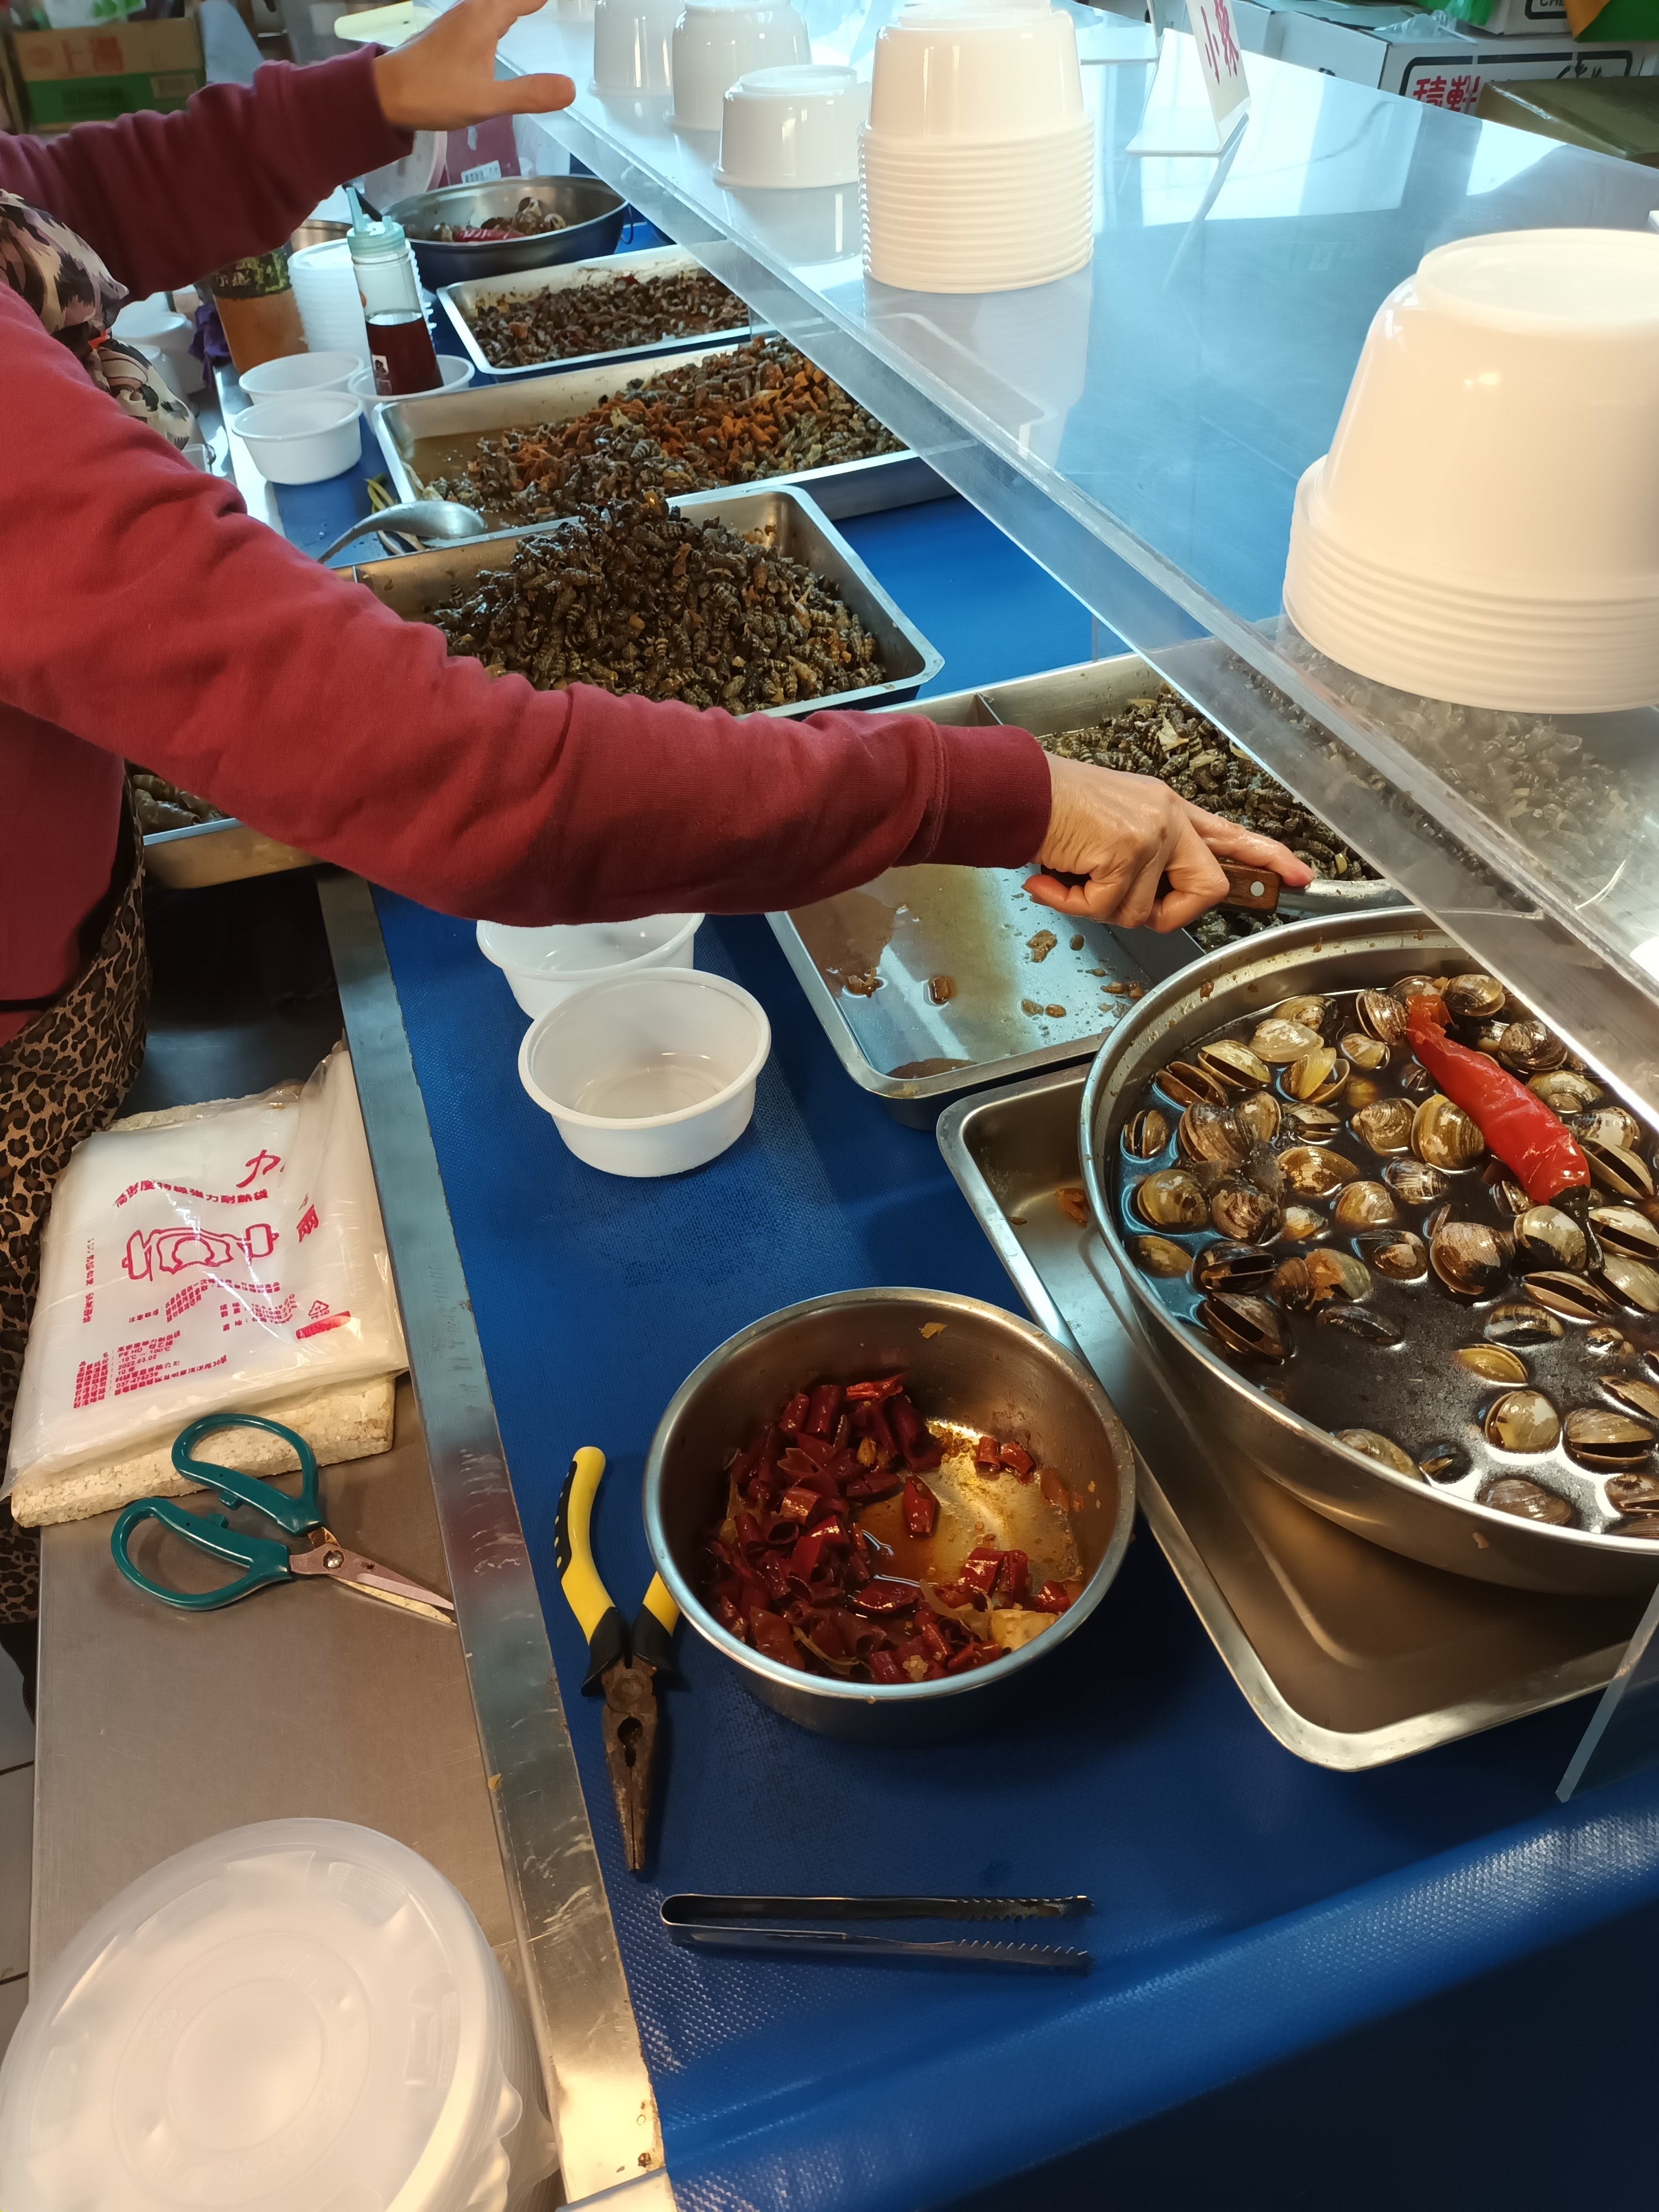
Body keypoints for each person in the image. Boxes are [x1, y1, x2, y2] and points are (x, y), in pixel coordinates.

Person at [0, 0, 1308, 1694]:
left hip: (63, 930)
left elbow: (57, 198)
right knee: (55, 1522)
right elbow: (467, 778)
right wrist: (1001, 792)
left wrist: (368, 101)